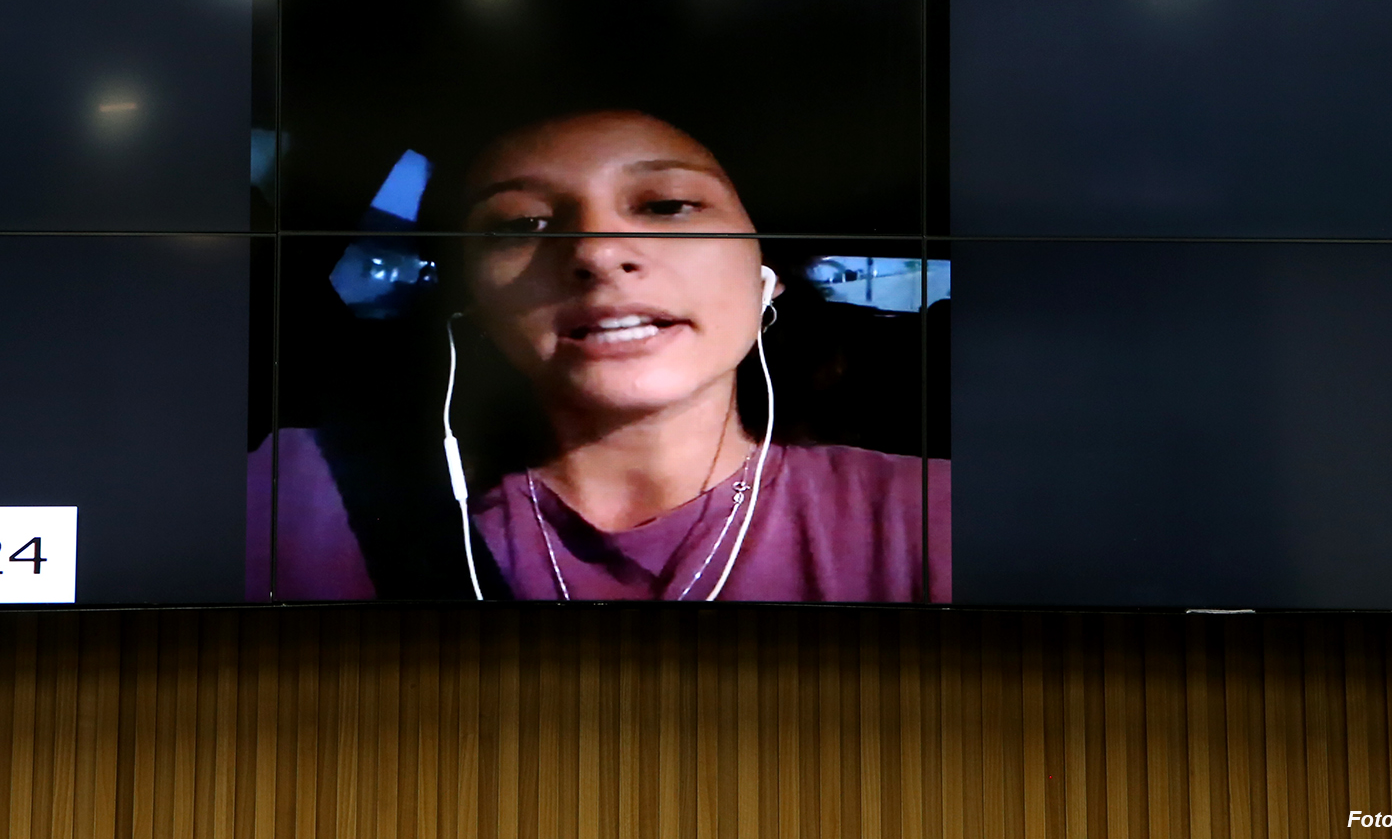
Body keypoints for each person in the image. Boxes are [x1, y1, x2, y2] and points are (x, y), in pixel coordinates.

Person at [252, 110, 947, 603]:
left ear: (767, 268)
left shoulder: (932, 516)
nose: (595, 252)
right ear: (473, 302)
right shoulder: (311, 493)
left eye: (667, 205)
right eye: (522, 224)